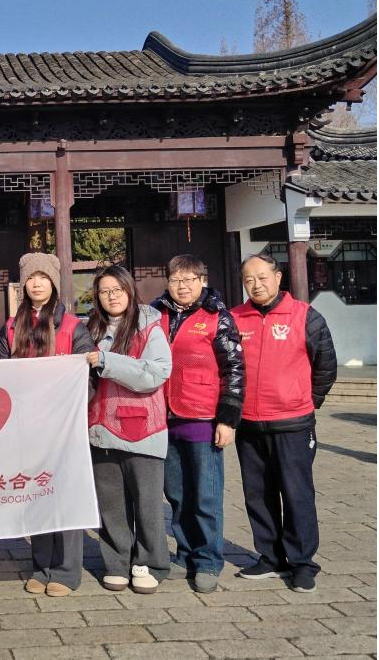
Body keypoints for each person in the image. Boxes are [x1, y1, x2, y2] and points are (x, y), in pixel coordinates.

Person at [231, 254, 337, 594]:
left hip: (293, 423)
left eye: (262, 277)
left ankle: (303, 563)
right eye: (249, 279)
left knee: (296, 494)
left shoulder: (305, 316)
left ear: (278, 277)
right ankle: (271, 557)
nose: (256, 285)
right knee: (257, 494)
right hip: (248, 424)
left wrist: (305, 401)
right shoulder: (234, 318)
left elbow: (326, 366)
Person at [0, 253, 95, 597]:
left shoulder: (73, 327)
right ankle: (41, 565)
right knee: (36, 493)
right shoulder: (12, 326)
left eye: (43, 277)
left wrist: (69, 410)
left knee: (64, 495)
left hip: (64, 427)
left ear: (54, 282)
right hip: (27, 427)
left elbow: (87, 376)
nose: (37, 284)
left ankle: (66, 571)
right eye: (31, 278)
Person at [151, 255, 244, 594]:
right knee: (176, 493)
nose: (183, 286)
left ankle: (208, 560)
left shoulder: (218, 316)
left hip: (202, 417)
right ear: (167, 282)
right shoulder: (155, 314)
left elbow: (234, 370)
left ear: (202, 281)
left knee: (205, 494)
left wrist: (227, 420)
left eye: (190, 279)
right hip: (164, 416)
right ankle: (185, 553)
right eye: (176, 279)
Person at [86, 265, 172, 595]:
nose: (111, 296)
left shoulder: (149, 326)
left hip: (143, 430)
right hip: (100, 428)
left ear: (129, 290)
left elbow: (155, 373)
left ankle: (151, 563)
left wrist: (106, 361)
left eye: (117, 290)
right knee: (111, 506)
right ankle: (117, 562)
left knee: (147, 505)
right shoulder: (90, 328)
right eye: (104, 291)